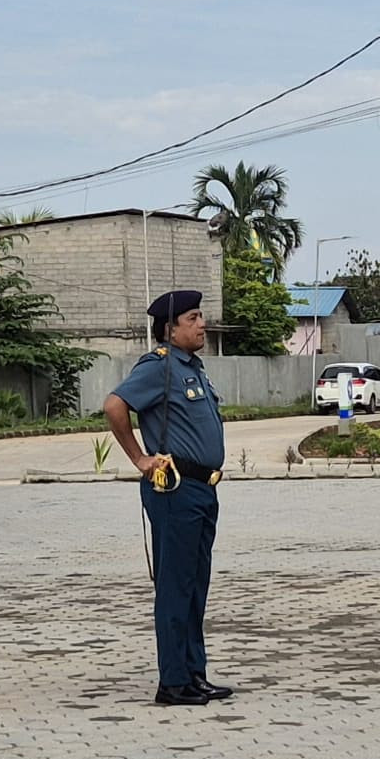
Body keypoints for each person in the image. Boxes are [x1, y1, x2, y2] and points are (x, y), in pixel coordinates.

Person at [105, 289, 232, 706]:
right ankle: (173, 682)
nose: (202, 324)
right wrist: (139, 458)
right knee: (175, 588)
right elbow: (114, 406)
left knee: (196, 587)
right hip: (175, 489)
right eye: (193, 318)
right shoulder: (158, 368)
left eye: (201, 316)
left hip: (202, 489)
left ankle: (194, 674)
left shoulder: (192, 368)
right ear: (170, 329)